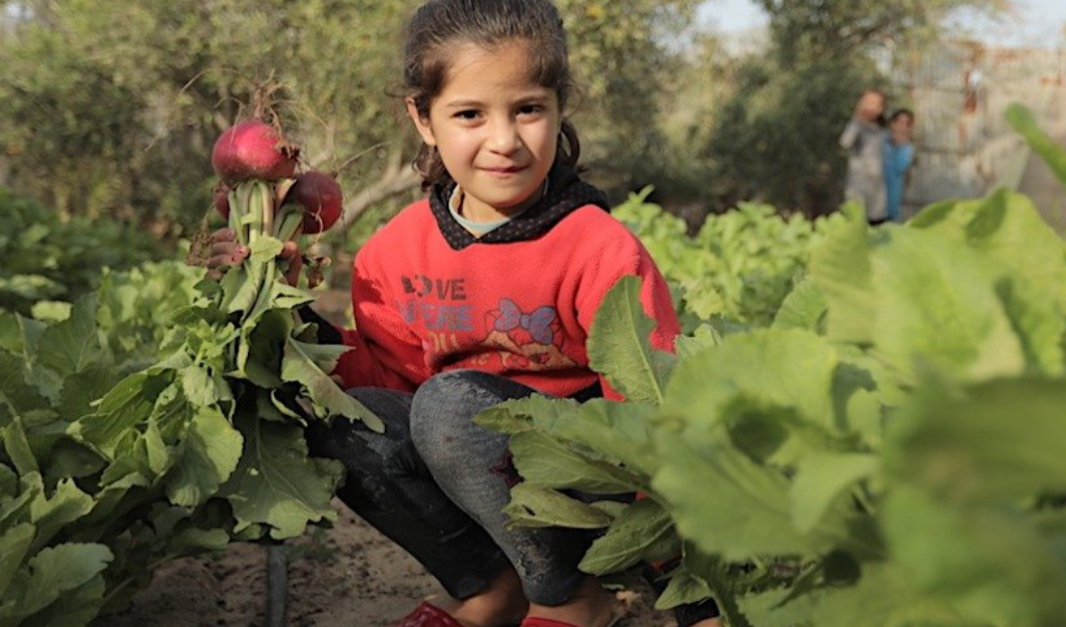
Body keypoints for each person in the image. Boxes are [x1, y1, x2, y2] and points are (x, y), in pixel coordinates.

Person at [205, 2, 720, 627]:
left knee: (450, 406)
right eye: (469, 114)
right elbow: (377, 381)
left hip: (587, 492)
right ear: (422, 118)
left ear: (559, 109)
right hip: (475, 470)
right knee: (334, 419)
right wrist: (277, 300)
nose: (503, 140)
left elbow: (655, 411)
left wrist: (689, 580)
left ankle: (571, 596)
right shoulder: (394, 252)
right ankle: (488, 587)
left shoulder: (598, 248)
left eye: (527, 109)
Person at [839, 89, 889, 225]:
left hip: (878, 197)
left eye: (875, 104)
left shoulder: (882, 132)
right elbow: (845, 142)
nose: (871, 107)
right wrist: (857, 119)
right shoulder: (856, 126)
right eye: (867, 103)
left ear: (881, 109)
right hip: (858, 193)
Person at [883, 109, 915, 223]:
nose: (902, 127)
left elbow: (900, 167)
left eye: (906, 124)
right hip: (871, 195)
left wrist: (900, 145)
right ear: (892, 123)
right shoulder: (881, 140)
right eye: (899, 122)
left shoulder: (908, 148)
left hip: (891, 199)